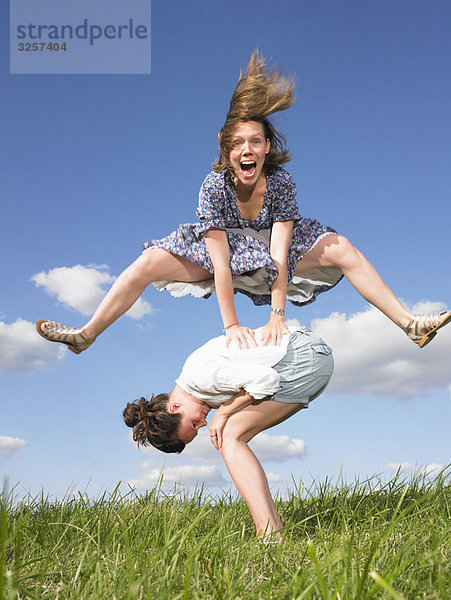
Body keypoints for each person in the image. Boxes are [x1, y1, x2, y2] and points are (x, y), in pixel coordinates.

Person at [36, 51, 450, 352]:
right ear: (226, 151)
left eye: (254, 142)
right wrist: (232, 325)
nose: (246, 150)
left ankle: (409, 324)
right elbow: (219, 263)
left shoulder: (282, 184)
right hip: (224, 255)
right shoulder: (214, 187)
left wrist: (277, 316)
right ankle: (86, 334)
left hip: (271, 255)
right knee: (145, 264)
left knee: (341, 248)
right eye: (237, 144)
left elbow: (280, 255)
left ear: (268, 147)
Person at [123, 324, 334, 541]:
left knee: (229, 436)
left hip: (304, 356)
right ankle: (274, 531)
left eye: (194, 423)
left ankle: (269, 535)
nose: (204, 423)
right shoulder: (196, 388)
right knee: (230, 435)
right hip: (306, 360)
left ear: (174, 407)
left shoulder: (201, 377)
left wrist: (223, 412)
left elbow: (266, 379)